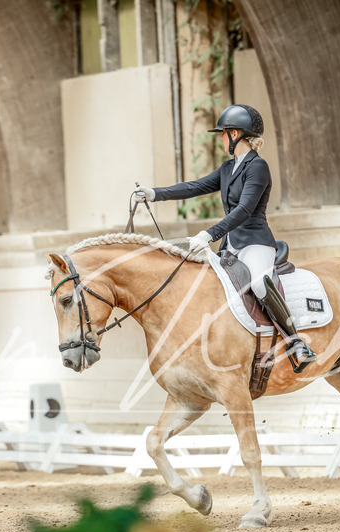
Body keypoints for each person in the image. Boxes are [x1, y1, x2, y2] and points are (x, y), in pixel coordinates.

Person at [134, 104, 316, 371]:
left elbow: (244, 210)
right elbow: (194, 187)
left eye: (223, 133)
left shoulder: (258, 167)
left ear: (235, 134)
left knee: (259, 284)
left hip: (255, 242)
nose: (220, 138)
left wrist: (209, 234)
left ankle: (295, 341)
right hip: (230, 245)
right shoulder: (228, 168)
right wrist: (155, 194)